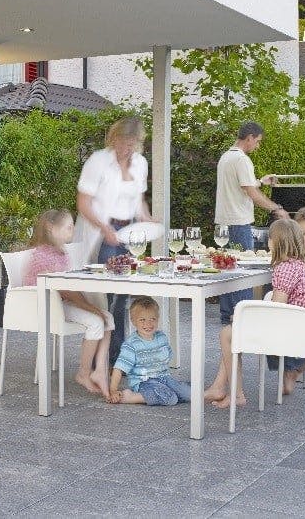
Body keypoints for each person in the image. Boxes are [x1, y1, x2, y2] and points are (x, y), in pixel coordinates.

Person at [206, 219, 305, 407]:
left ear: (274, 242)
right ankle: (219, 387)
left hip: (289, 331)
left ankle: (237, 394)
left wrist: (246, 317)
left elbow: (277, 309)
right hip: (304, 326)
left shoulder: (284, 268)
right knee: (234, 327)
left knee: (227, 334)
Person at [75, 116, 155, 366]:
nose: (125, 148)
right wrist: (104, 227)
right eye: (121, 142)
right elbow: (83, 202)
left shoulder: (140, 163)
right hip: (103, 234)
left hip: (129, 233)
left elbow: (139, 201)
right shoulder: (98, 161)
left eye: (130, 143)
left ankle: (117, 357)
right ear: (113, 139)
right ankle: (113, 359)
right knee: (111, 296)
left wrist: (148, 219)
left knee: (124, 294)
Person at [22, 209, 115, 399]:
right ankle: (83, 373)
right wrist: (92, 309)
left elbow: (69, 288)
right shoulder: (42, 255)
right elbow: (66, 290)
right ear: (50, 228)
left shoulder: (61, 253)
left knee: (108, 317)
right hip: (45, 306)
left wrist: (94, 308)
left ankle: (99, 370)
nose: (72, 231)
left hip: (60, 302)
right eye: (68, 227)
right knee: (97, 321)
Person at [214, 121, 288, 327]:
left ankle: (228, 319)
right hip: (238, 224)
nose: (258, 146)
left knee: (227, 272)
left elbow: (243, 185)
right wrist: (276, 209)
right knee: (242, 273)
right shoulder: (242, 160)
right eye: (258, 141)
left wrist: (261, 181)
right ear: (250, 138)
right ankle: (242, 319)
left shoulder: (226, 157)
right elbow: (251, 194)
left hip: (222, 225)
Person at [108, 296, 191, 406]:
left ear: (158, 318)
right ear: (133, 321)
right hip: (144, 382)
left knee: (189, 394)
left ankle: (172, 391)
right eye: (142, 320)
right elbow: (119, 368)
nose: (148, 324)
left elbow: (167, 356)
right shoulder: (131, 344)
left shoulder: (162, 337)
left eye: (152, 319)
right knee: (170, 399)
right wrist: (113, 390)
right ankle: (131, 397)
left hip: (164, 377)